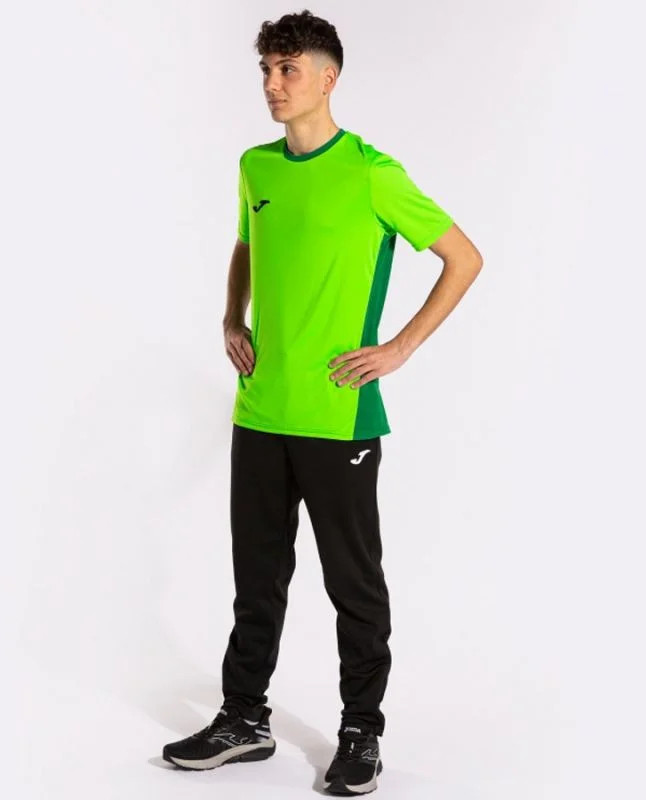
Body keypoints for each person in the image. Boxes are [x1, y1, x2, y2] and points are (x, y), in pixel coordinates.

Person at [163, 9, 483, 795]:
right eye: (267, 71)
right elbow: (248, 245)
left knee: (354, 584)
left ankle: (361, 732)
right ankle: (244, 719)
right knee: (256, 578)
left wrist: (399, 348)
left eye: (289, 70)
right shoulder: (256, 168)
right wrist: (231, 317)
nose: (273, 85)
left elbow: (463, 258)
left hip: (340, 415)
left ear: (327, 77)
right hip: (260, 410)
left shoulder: (373, 173)